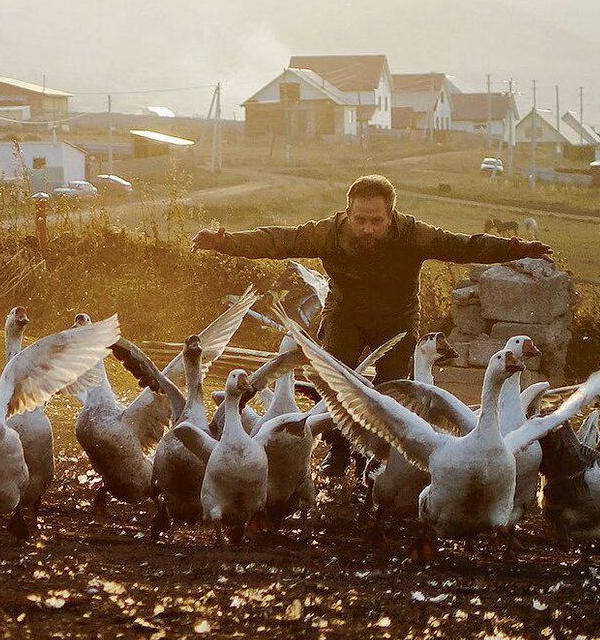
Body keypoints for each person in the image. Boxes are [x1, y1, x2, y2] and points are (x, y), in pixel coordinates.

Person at [191, 174, 553, 475]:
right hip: (345, 315)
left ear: (391, 216)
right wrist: (227, 243)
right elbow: (278, 240)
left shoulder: (413, 234)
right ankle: (339, 449)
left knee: (393, 392)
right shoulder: (327, 233)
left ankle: (380, 458)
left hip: (397, 319)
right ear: (347, 212)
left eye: (376, 221)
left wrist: (517, 248)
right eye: (359, 219)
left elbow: (464, 246)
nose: (366, 228)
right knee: (336, 381)